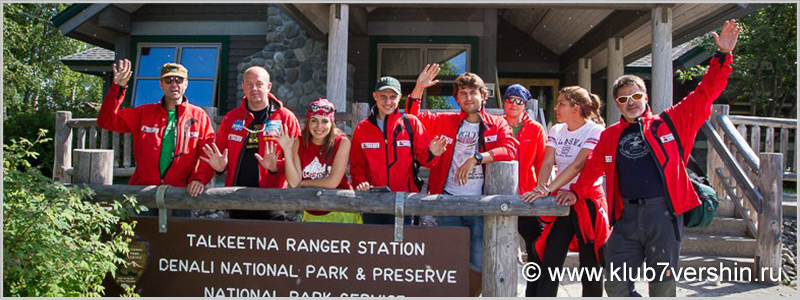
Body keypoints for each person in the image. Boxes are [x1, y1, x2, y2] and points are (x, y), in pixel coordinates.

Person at [562, 19, 740, 297]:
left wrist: (723, 55)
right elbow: (593, 167)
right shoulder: (610, 136)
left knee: (662, 289)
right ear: (616, 104)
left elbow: (705, 93)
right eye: (623, 99)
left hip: (663, 216)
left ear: (645, 97)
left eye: (636, 95)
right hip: (625, 219)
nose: (630, 102)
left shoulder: (671, 122)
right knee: (616, 285)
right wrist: (576, 192)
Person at [407, 65, 519, 297]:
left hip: (481, 204)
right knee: (452, 260)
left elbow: (510, 149)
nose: (468, 97)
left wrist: (478, 158)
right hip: (449, 201)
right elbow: (412, 117)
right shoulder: (445, 121)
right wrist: (419, 87)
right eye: (463, 94)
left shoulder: (497, 123)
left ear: (482, 95)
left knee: (478, 262)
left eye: (472, 92)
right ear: (458, 99)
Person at [97, 59, 215, 216]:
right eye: (168, 80)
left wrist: (199, 179)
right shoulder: (144, 113)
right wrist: (118, 87)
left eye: (179, 80)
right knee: (141, 240)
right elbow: (106, 120)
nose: (174, 84)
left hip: (180, 194)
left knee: (176, 239)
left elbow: (208, 152)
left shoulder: (198, 116)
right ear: (161, 84)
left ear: (186, 83)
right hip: (143, 193)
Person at [521, 86, 609, 296]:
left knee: (591, 263)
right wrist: (542, 189)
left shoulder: (595, 130)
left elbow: (579, 165)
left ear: (576, 108)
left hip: (587, 201)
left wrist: (547, 188)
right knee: (549, 258)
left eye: (561, 103)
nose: (556, 108)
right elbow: (547, 161)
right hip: (560, 201)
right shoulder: (557, 129)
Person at [201, 66, 301, 220]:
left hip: (272, 199)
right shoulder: (231, 118)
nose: (254, 88)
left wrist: (276, 167)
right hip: (236, 199)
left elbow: (297, 161)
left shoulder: (286, 118)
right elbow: (219, 157)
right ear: (243, 88)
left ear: (268, 87)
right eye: (249, 84)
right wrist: (220, 168)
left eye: (259, 84)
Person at [349, 76, 446, 225]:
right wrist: (360, 182)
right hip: (373, 201)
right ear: (375, 96)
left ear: (399, 97)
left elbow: (425, 161)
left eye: (393, 97)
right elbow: (357, 165)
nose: (388, 102)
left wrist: (433, 153)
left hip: (404, 201)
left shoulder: (410, 123)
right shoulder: (362, 128)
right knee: (375, 246)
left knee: (403, 246)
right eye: (383, 97)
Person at [276, 98, 362, 223]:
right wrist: (287, 151)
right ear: (308, 122)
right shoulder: (298, 143)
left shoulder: (342, 142)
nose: (319, 126)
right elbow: (294, 182)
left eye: (324, 121)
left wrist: (304, 183)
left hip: (341, 210)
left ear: (332, 123)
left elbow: (332, 182)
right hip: (311, 211)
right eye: (314, 121)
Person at [501, 84, 547, 297]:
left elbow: (541, 163)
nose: (514, 105)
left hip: (527, 196)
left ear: (525, 105)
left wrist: (541, 190)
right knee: (498, 247)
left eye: (519, 101)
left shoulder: (535, 128)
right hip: (498, 194)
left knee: (535, 248)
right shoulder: (495, 124)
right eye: (510, 99)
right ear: (504, 101)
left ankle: (533, 293)